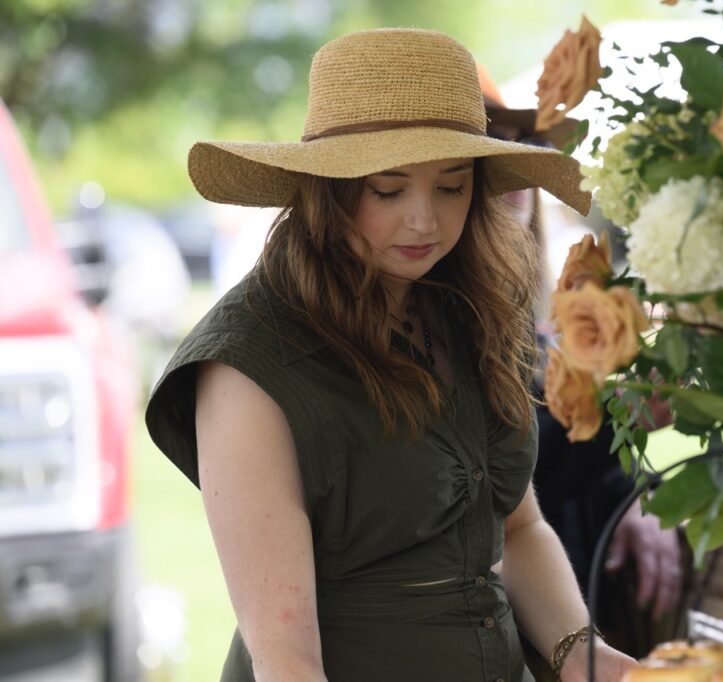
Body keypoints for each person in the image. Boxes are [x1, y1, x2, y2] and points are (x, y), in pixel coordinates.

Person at [145, 28, 637, 682]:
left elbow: (518, 530)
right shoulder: (247, 363)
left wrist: (587, 659)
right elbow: (287, 661)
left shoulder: (473, 305)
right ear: (327, 187)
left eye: (452, 186)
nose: (425, 221)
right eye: (388, 189)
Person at [475, 65, 684, 661]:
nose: (515, 170)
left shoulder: (533, 307)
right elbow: (508, 471)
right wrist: (619, 411)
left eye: (524, 147)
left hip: (573, 610)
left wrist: (636, 497)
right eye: (489, 150)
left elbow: (575, 469)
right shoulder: (438, 310)